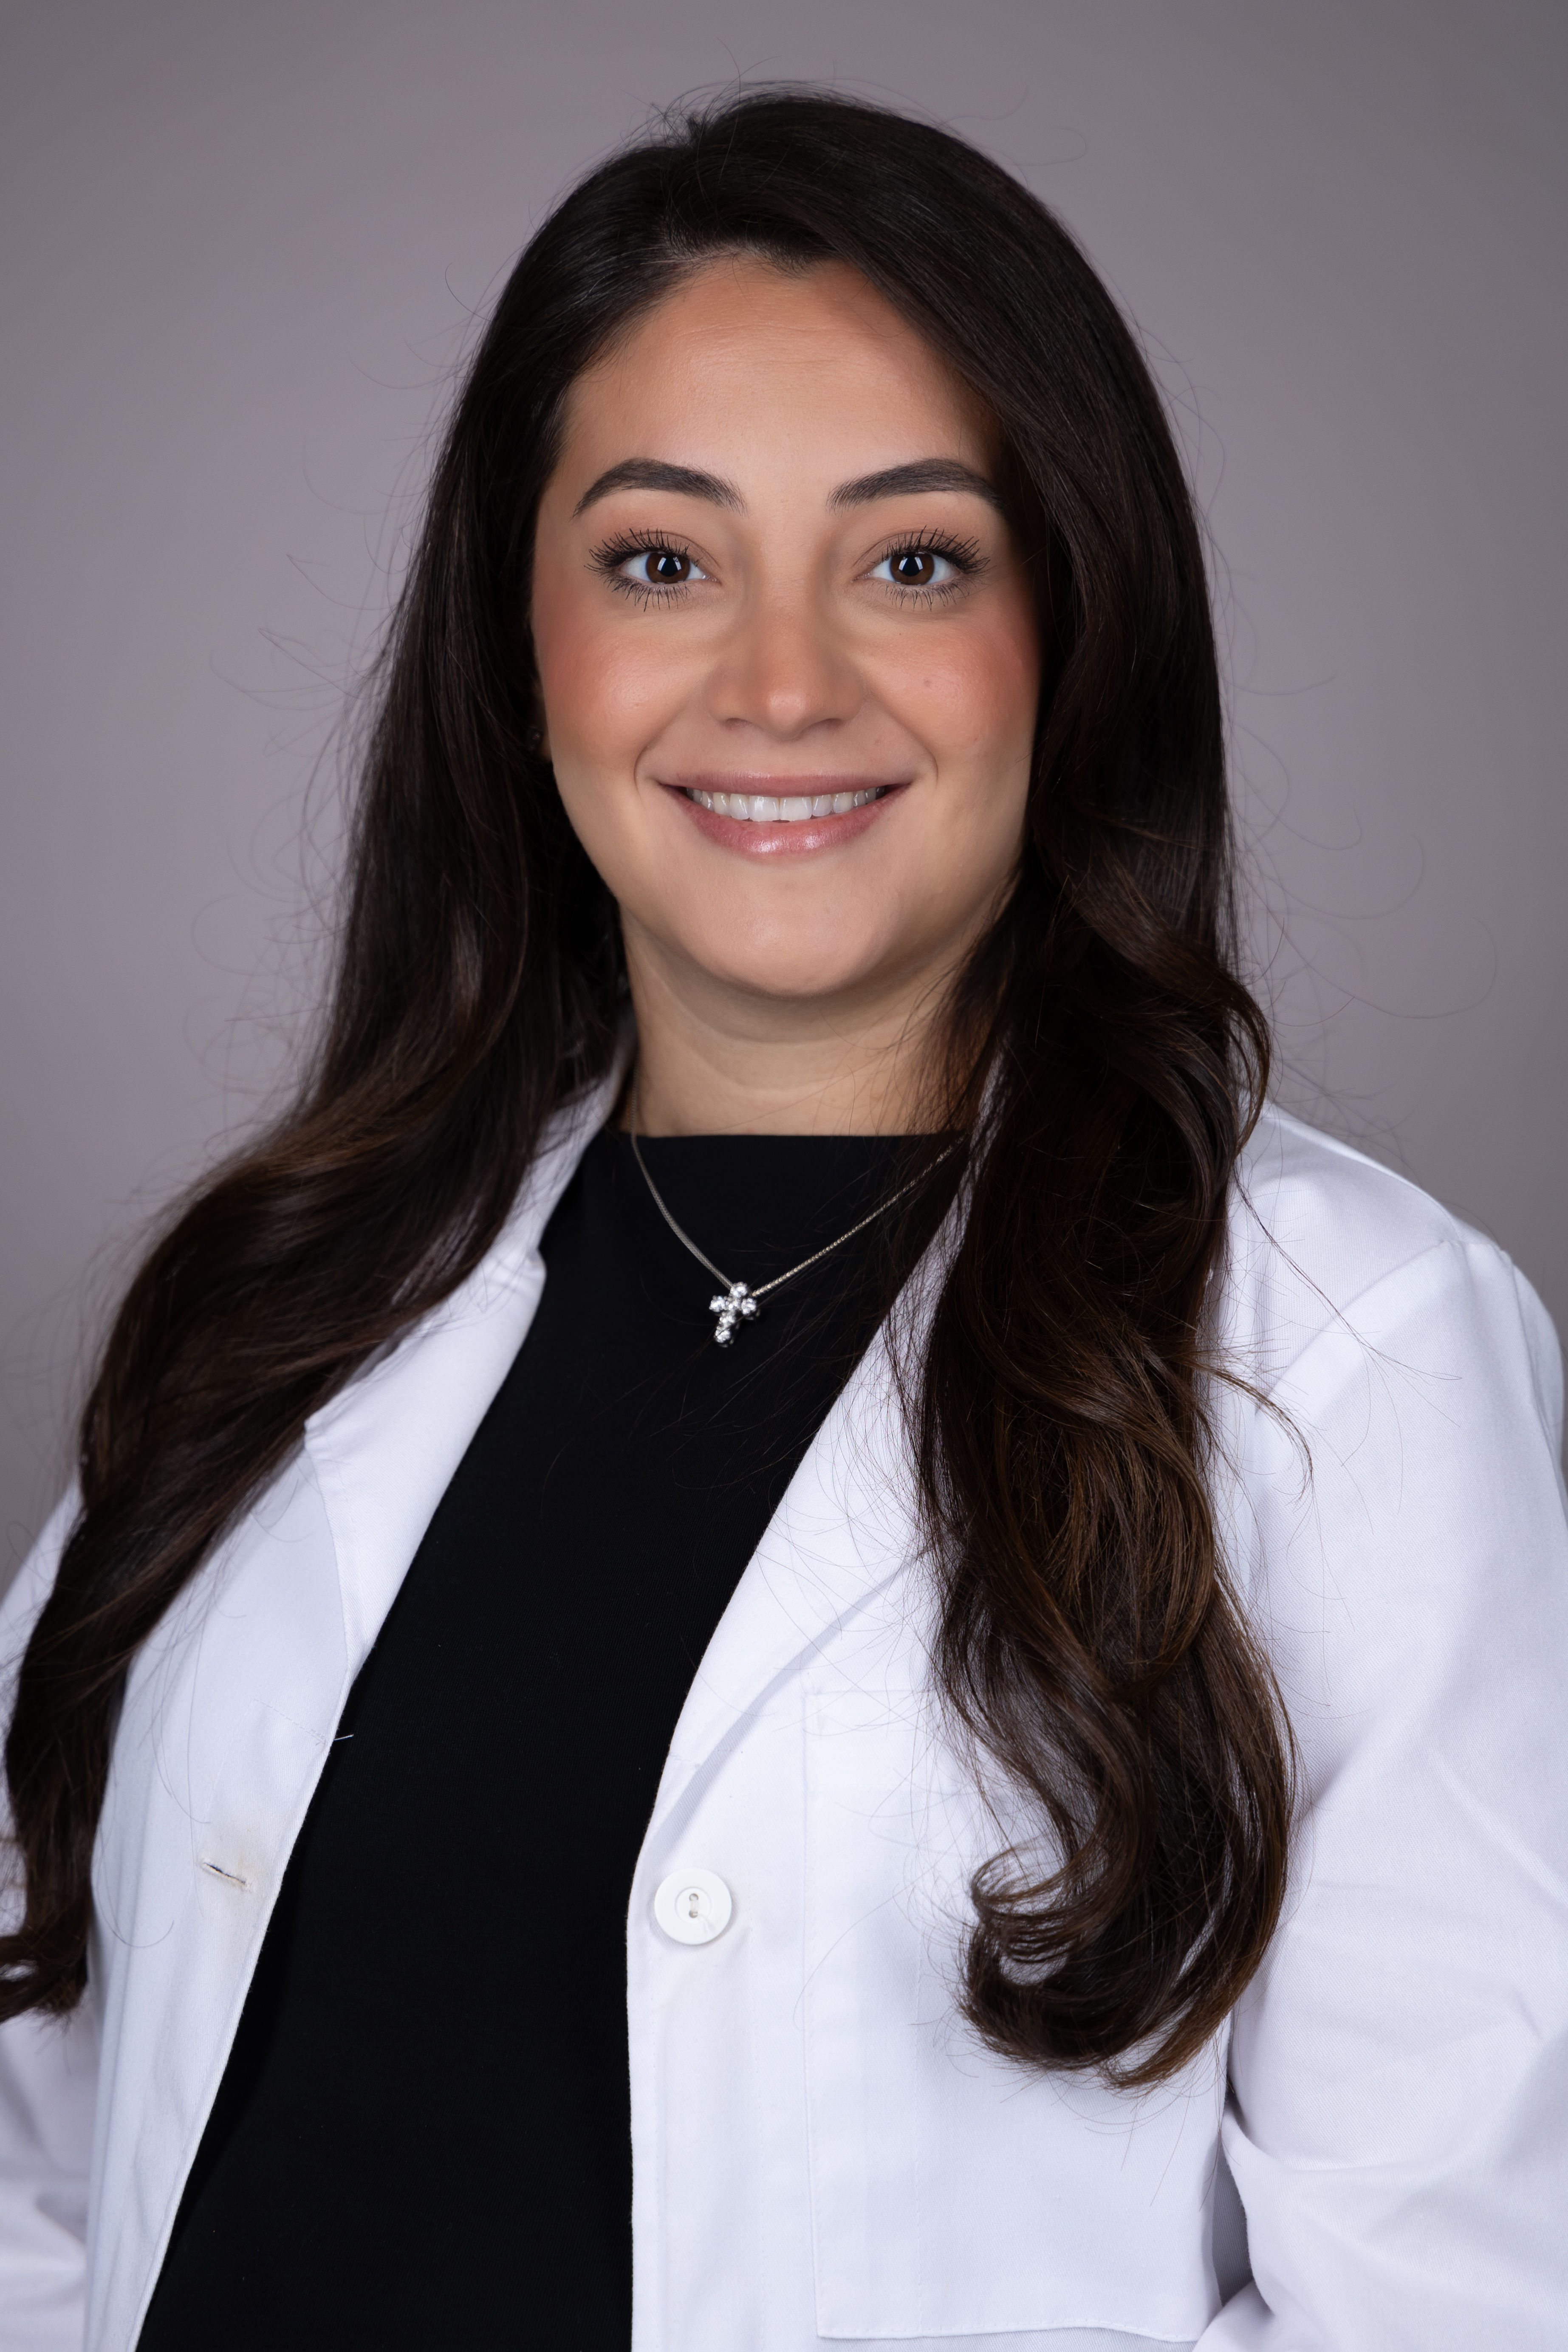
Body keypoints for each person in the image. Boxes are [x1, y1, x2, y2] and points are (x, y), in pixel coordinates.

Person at [1, 85, 1564, 2352]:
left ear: (1076, 632)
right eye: (662, 559)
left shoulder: (1355, 1349)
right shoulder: (296, 1293)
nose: (781, 684)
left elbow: (1450, 2307)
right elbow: (38, 2128)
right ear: (521, 648)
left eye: (914, 560)